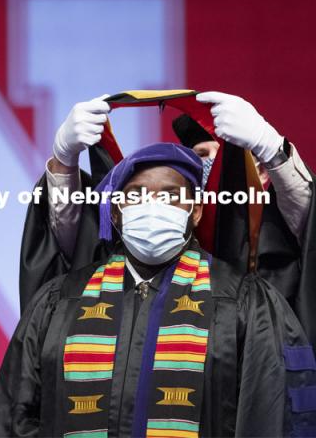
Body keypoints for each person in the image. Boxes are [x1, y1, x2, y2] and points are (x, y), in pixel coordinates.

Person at [0, 143, 316, 437]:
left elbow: (271, 416)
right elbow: (15, 415)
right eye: (136, 194)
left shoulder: (243, 301)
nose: (153, 205)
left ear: (195, 210)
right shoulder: (62, 300)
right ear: (116, 213)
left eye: (171, 195)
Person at [19, 91, 316, 351]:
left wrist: (273, 150)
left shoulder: (272, 235)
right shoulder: (139, 241)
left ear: (261, 173)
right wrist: (63, 159)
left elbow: (307, 225)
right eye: (201, 154)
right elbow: (73, 240)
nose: (210, 166)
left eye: (221, 156)